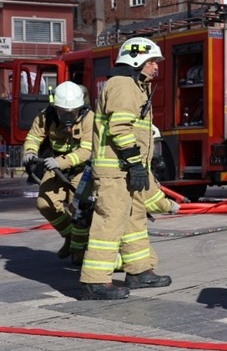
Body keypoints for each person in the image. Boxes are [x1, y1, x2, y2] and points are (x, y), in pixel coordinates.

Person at [79, 37, 173, 300]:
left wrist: (139, 165)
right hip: (115, 171)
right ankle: (94, 282)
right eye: (152, 61)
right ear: (136, 60)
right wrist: (134, 162)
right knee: (110, 223)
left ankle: (139, 271)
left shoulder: (135, 85)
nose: (156, 67)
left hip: (126, 169)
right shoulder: (122, 85)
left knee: (134, 220)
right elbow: (120, 128)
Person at [22, 81, 94, 261]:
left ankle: (79, 250)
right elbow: (33, 137)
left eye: (72, 112)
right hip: (55, 165)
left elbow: (86, 151)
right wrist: (30, 152)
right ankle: (69, 236)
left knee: (77, 207)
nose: (68, 116)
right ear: (56, 107)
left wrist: (60, 162)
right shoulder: (46, 116)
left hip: (80, 169)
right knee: (44, 204)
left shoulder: (89, 118)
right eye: (63, 112)